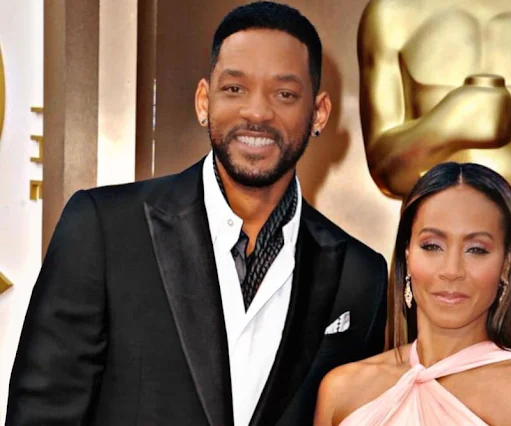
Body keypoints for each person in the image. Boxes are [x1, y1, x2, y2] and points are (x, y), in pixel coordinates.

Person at [6, 2, 388, 425]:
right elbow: (41, 414)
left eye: (284, 94)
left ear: (318, 112)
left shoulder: (360, 276)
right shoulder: (104, 230)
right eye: (235, 89)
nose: (257, 112)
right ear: (204, 100)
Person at [357, 0, 511, 361]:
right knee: (414, 383)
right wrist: (450, 121)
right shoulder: (391, 14)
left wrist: (476, 161)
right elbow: (386, 169)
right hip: (429, 250)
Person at [314, 162, 511, 425]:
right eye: (432, 246)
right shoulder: (341, 390)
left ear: (506, 265)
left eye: (476, 249)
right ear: (408, 255)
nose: (452, 270)